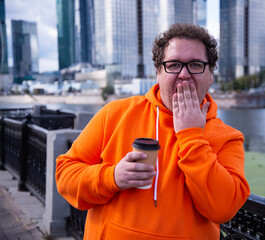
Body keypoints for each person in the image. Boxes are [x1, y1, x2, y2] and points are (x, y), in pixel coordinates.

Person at [56, 23, 250, 240]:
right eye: (174, 64)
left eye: (196, 64)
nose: (184, 74)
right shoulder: (115, 114)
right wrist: (111, 177)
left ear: (211, 74)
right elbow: (65, 175)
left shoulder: (228, 138)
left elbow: (223, 209)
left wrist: (192, 136)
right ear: (158, 72)